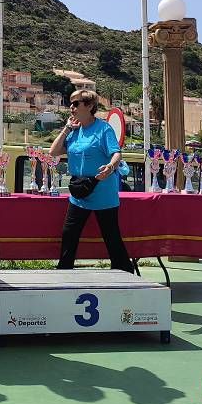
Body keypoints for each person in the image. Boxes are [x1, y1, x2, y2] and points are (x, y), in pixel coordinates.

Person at [49, 90, 134, 272]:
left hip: (103, 194)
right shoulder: (74, 132)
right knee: (69, 234)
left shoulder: (103, 129)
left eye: (76, 103)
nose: (71, 107)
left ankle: (125, 272)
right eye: (70, 103)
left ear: (89, 106)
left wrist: (110, 167)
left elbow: (116, 153)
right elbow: (53, 151)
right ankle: (64, 271)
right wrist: (67, 128)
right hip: (79, 193)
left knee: (111, 237)